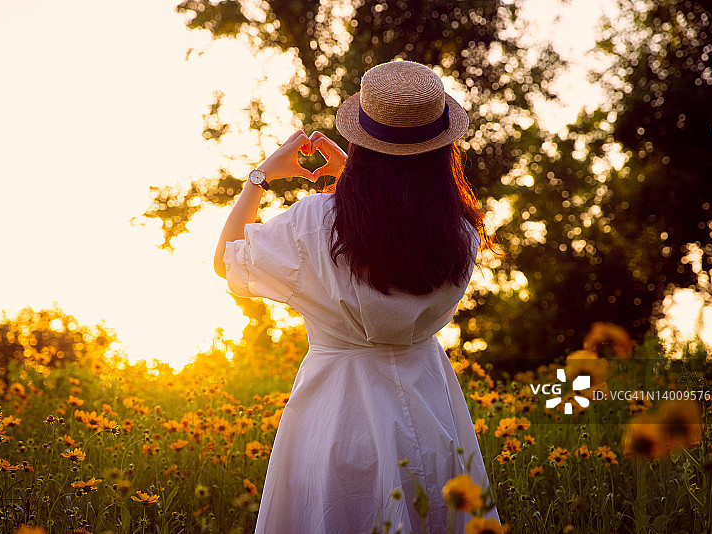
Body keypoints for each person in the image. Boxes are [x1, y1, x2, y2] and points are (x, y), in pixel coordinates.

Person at [214, 59, 500, 534]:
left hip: (333, 412)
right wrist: (354, 177)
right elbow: (394, 223)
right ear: (440, 147)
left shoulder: (313, 222)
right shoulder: (460, 229)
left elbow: (228, 260)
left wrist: (261, 176)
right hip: (430, 405)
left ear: (361, 141)